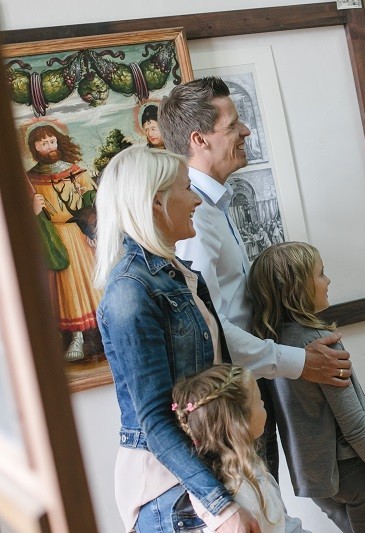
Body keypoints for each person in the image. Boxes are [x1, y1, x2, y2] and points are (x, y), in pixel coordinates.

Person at [159, 77, 352, 482]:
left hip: (248, 388)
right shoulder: (194, 220)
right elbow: (210, 325)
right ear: (200, 139)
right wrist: (300, 362)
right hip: (229, 405)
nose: (246, 131)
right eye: (233, 126)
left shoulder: (216, 205)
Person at [93, 146, 259, 532]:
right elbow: (154, 417)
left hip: (201, 477)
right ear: (156, 203)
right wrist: (218, 504)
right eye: (187, 189)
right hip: (173, 493)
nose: (197, 199)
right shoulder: (131, 291)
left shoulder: (175, 274)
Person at [248, 241, 365, 532]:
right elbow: (355, 425)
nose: (328, 281)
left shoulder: (269, 348)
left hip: (318, 484)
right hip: (354, 474)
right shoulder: (321, 348)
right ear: (297, 288)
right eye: (321, 274)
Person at [172, 364, 309, 533]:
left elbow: (285, 524)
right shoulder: (238, 492)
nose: (263, 403)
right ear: (240, 424)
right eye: (258, 401)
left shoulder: (250, 469)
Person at [27, 123, 102, 362]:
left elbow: (93, 201)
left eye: (52, 141)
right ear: (35, 147)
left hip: (81, 235)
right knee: (68, 289)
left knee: (94, 284)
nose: (49, 146)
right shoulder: (32, 178)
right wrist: (35, 209)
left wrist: (94, 227)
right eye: (43, 143)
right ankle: (77, 337)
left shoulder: (76, 171)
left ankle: (102, 333)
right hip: (56, 239)